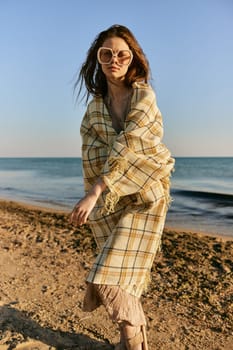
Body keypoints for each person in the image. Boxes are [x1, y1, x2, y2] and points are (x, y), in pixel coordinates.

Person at [70, 24, 175, 350]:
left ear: (133, 60)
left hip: (145, 196)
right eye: (106, 53)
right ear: (97, 60)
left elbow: (130, 145)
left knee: (108, 275)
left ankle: (130, 343)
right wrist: (99, 195)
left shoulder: (144, 96)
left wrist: (95, 192)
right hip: (112, 200)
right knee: (121, 276)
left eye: (121, 54)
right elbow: (93, 154)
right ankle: (136, 341)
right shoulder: (94, 110)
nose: (114, 59)